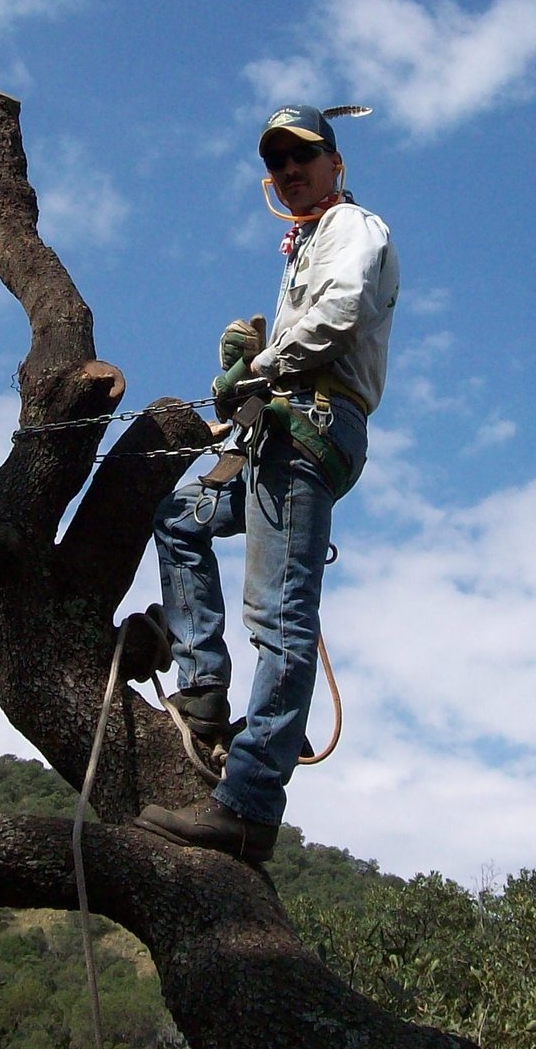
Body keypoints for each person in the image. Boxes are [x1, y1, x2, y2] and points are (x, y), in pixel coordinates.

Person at [135, 104, 398, 862]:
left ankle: (250, 805)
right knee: (182, 517)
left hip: (311, 427)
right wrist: (242, 382)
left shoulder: (353, 229)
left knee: (281, 618)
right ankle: (204, 689)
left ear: (335, 164)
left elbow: (340, 317)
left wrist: (255, 366)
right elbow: (296, 345)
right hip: (282, 426)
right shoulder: (306, 246)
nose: (290, 172)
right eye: (279, 162)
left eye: (304, 157)